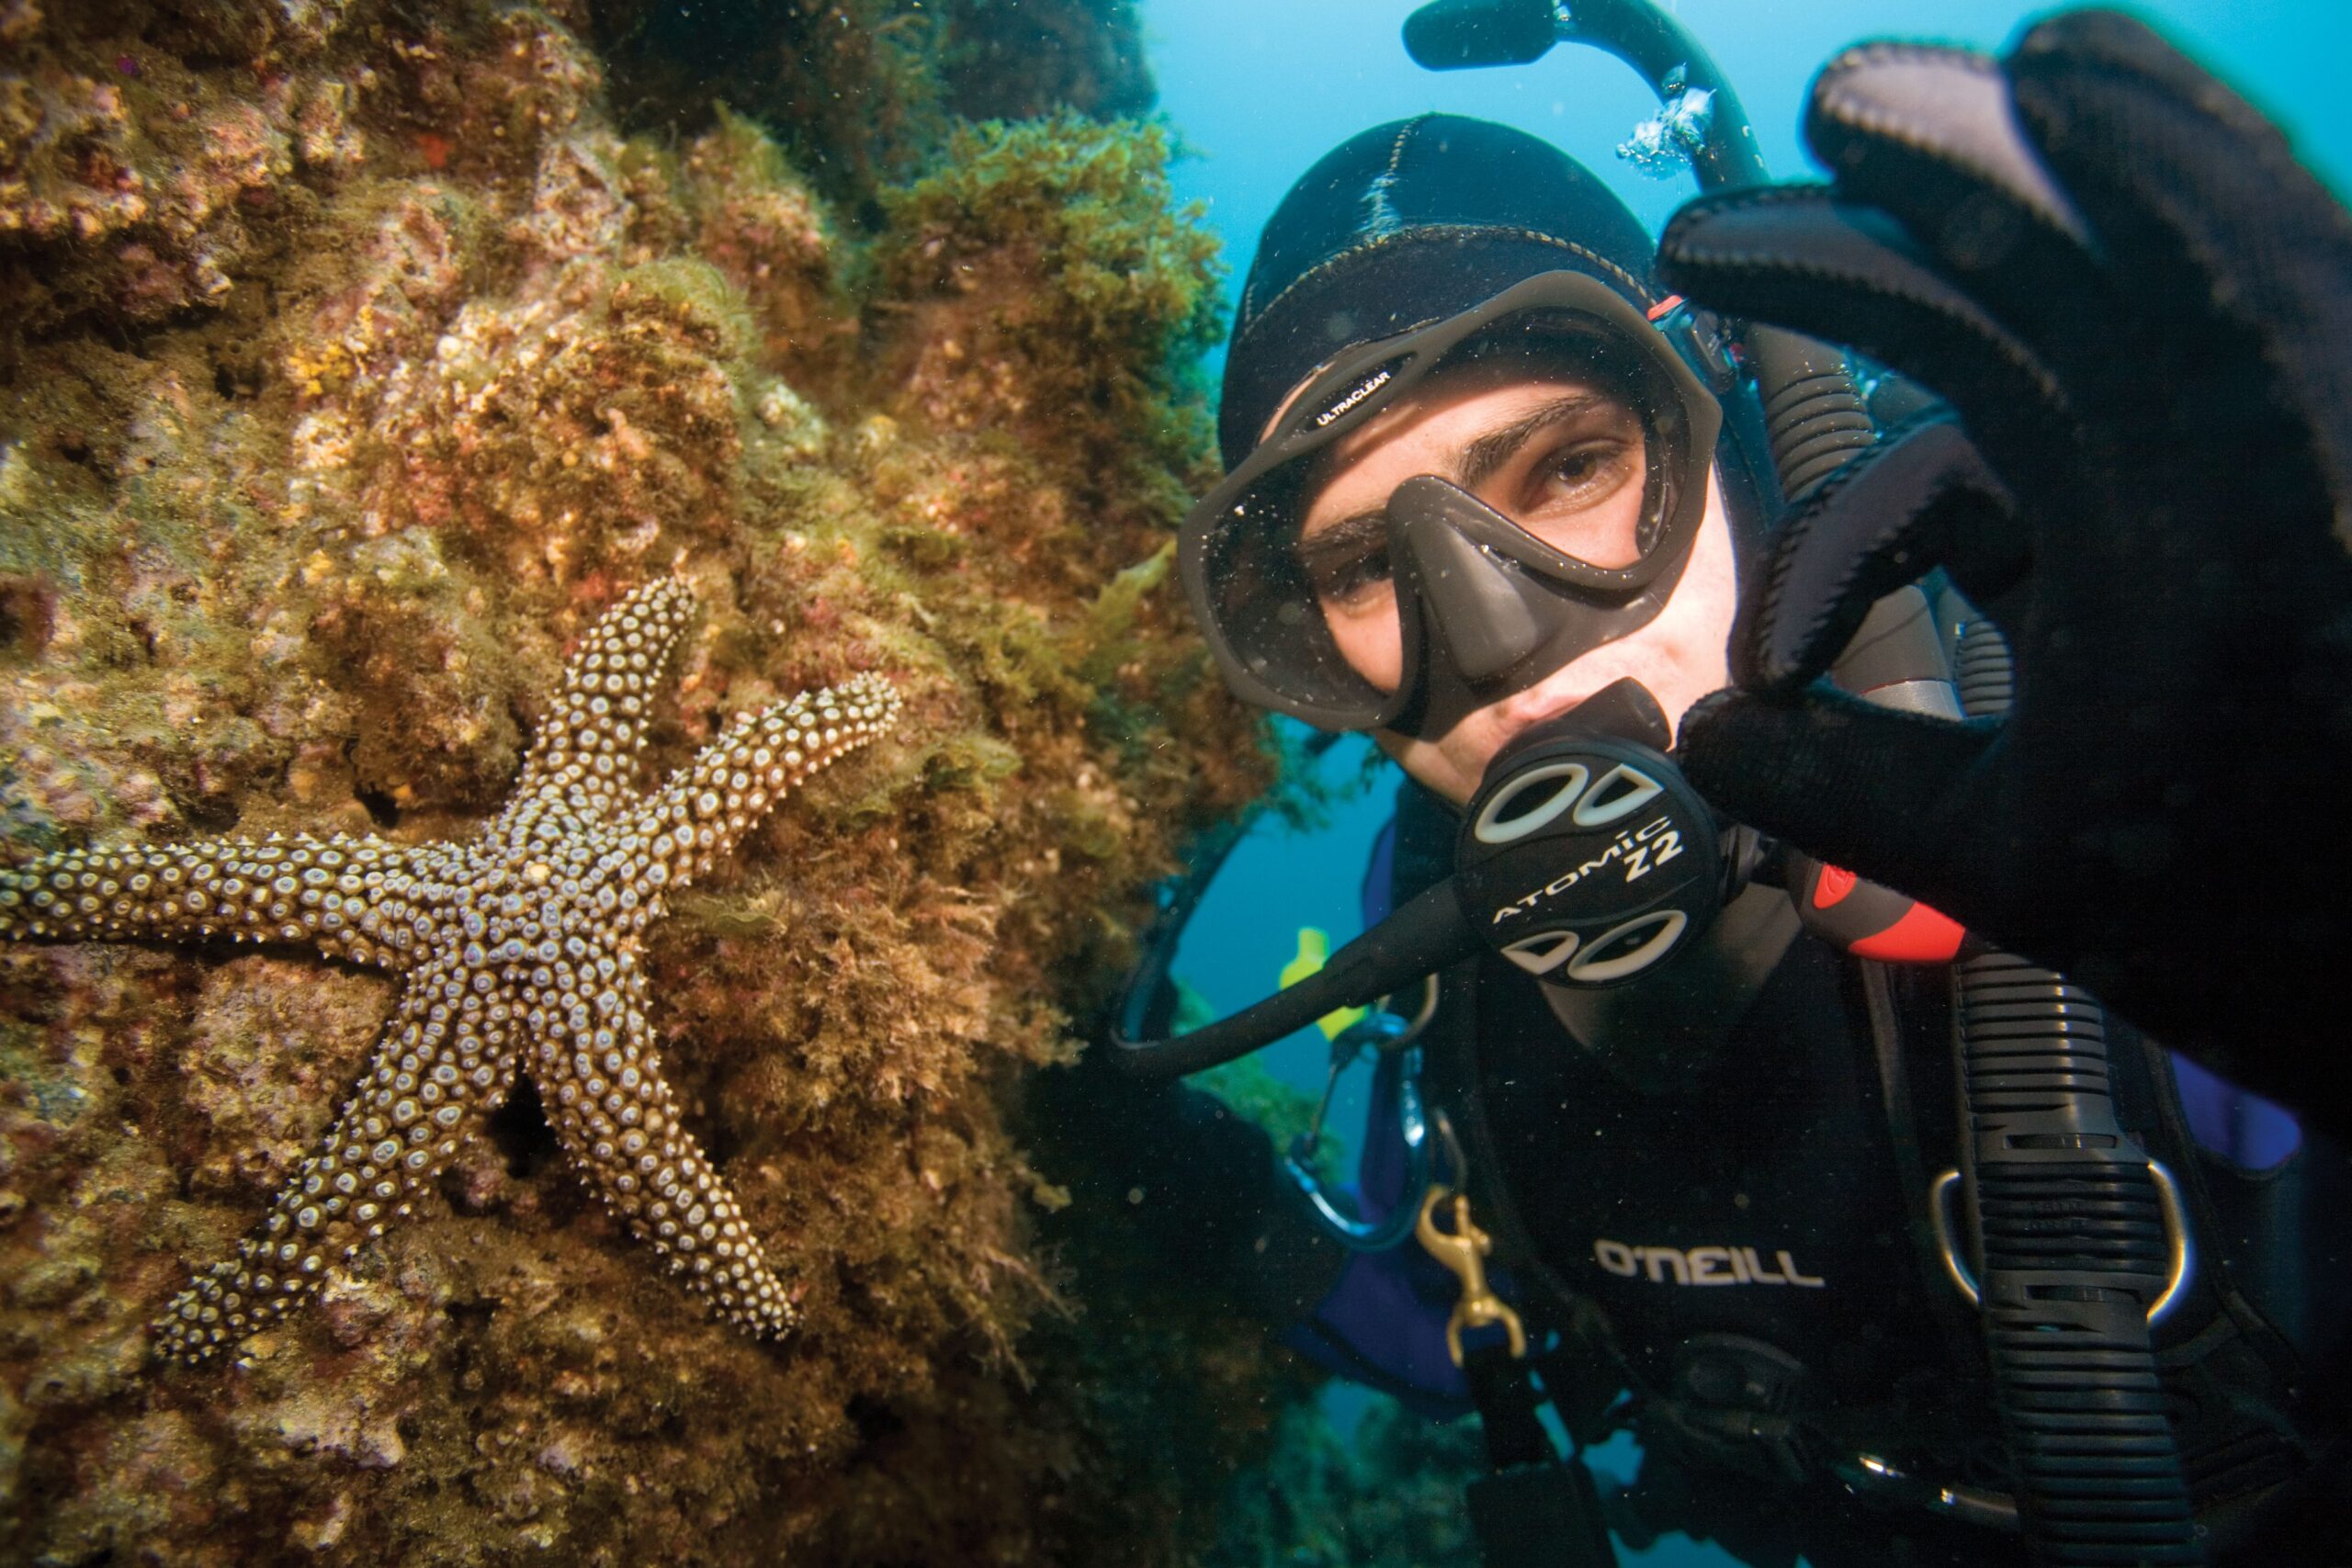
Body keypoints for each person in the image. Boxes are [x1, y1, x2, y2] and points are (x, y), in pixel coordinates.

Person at [1089, 12, 2352, 1566]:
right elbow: (1459, 1321)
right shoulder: (1436, 915)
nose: (1493, 645)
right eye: (1362, 567)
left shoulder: (2125, 787)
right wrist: (1172, 1184)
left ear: (1733, 440)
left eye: (1566, 471)